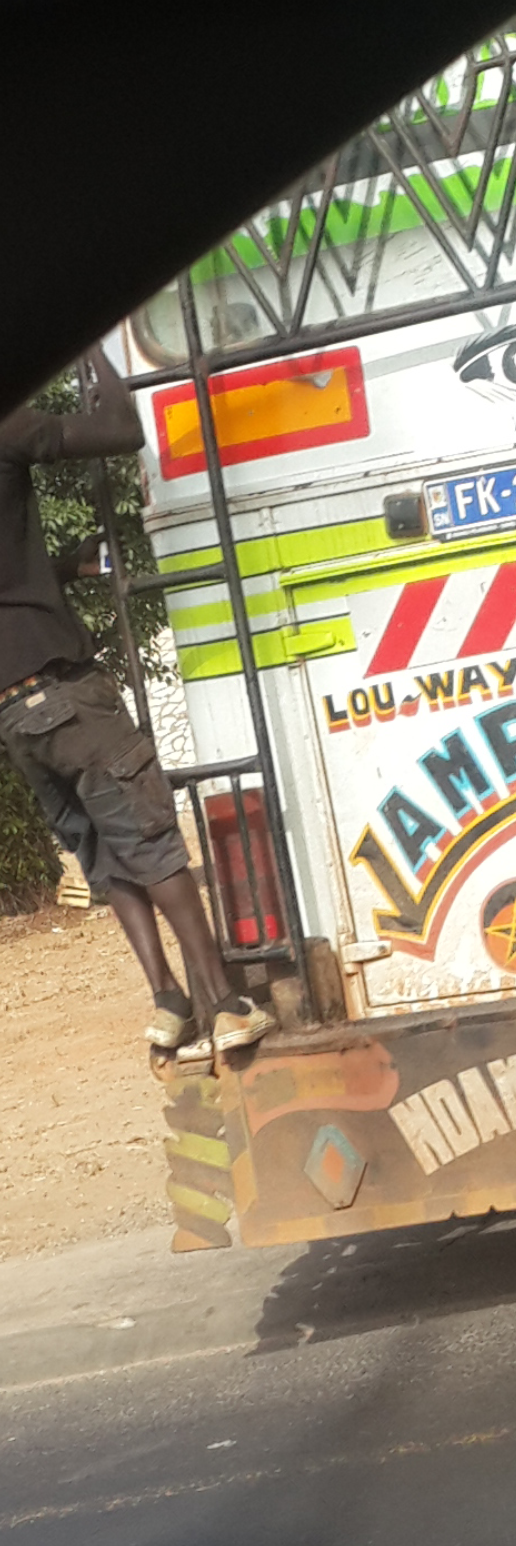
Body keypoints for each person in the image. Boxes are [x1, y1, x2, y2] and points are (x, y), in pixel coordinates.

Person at [0, 343, 271, 1056]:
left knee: (104, 861)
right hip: (66, 692)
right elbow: (121, 428)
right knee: (151, 845)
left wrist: (68, 566)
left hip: (14, 719)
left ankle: (167, 1003)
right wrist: (96, 355)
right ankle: (224, 1003)